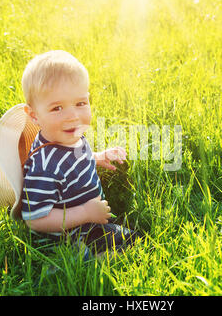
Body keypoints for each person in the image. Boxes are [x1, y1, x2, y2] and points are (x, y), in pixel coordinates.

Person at [20, 50, 138, 256]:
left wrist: (99, 157)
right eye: (57, 108)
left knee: (131, 241)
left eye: (80, 103)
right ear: (34, 115)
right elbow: (35, 220)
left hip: (89, 220)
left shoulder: (67, 136)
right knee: (135, 244)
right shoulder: (45, 165)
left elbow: (73, 159)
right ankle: (78, 262)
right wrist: (85, 213)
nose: (73, 116)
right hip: (70, 235)